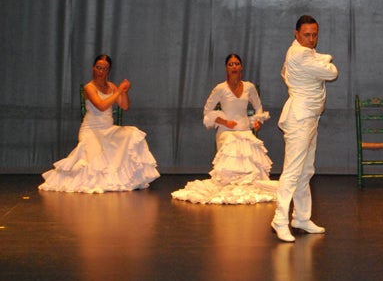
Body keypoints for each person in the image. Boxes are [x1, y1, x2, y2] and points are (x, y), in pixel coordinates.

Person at [39, 54, 160, 193]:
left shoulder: (112, 86)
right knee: (94, 162)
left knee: (133, 133)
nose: (101, 71)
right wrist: (118, 91)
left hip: (108, 129)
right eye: (98, 67)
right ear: (93, 68)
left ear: (108, 71)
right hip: (91, 130)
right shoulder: (89, 87)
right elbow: (101, 106)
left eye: (105, 68)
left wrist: (124, 92)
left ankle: (126, 178)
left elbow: (124, 106)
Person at [171, 54, 276, 204]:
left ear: (241, 67)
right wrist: (224, 122)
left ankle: (247, 181)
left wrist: (257, 121)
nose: (234, 67)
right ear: (226, 68)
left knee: (249, 144)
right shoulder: (220, 88)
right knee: (232, 142)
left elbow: (259, 107)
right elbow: (207, 112)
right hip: (226, 131)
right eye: (231, 64)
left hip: (244, 129)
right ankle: (229, 180)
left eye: (237, 64)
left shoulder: (249, 87)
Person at [271, 15, 338, 242]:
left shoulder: (303, 52)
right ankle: (279, 220)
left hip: (309, 117)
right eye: (307, 35)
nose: (311, 39)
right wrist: (327, 59)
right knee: (292, 171)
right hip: (300, 118)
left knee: (305, 170)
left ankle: (300, 217)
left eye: (314, 34)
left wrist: (321, 59)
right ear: (296, 34)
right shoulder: (300, 54)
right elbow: (332, 72)